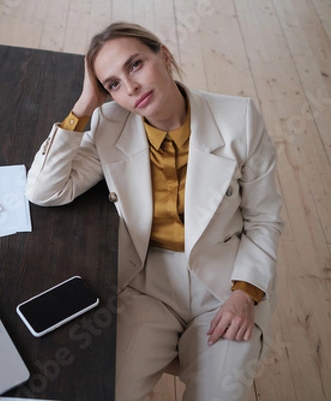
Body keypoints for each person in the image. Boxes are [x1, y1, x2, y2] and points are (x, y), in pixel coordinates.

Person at [25, 22, 284, 401]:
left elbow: (264, 218)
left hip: (226, 282)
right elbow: (45, 190)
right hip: (148, 283)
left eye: (135, 65)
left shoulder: (239, 118)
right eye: (112, 84)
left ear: (163, 55)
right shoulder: (109, 122)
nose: (129, 88)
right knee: (106, 390)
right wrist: (84, 106)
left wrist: (245, 293)